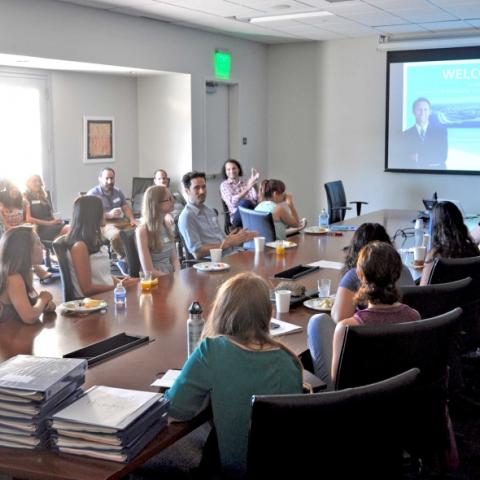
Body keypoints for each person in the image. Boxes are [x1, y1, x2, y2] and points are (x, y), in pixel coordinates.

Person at [165, 272, 303, 476]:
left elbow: (175, 411)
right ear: (268, 312)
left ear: (220, 311)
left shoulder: (212, 350)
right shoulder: (290, 360)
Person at [308, 241, 421, 385]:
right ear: (398, 273)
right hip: (398, 397)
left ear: (359, 275)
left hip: (357, 402)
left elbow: (338, 382)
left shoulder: (347, 328)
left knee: (316, 323)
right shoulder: (414, 316)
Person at [331, 222, 414, 323]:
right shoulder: (404, 270)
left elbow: (339, 318)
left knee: (317, 321)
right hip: (401, 332)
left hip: (364, 334)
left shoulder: (353, 276)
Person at [66, 195, 137, 297]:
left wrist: (121, 282)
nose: (105, 214)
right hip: (92, 304)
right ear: (93, 214)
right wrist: (121, 286)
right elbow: (87, 290)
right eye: (102, 211)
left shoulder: (95, 240)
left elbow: (104, 276)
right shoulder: (79, 247)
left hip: (106, 296)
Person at [178, 171, 255, 259]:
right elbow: (198, 252)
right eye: (196, 188)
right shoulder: (187, 217)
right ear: (187, 191)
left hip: (232, 253)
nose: (202, 191)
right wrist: (228, 243)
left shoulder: (210, 211)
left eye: (204, 187)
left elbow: (219, 240)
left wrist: (238, 238)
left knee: (261, 256)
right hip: (216, 262)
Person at [0, 226, 56, 323]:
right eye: (38, 243)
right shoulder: (13, 277)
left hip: (19, 334)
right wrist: (42, 299)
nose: (42, 246)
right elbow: (29, 317)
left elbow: (32, 306)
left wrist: (45, 305)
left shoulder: (26, 273)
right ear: (24, 250)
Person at [0, 180, 51, 281]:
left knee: (30, 237)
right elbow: (5, 227)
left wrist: (29, 230)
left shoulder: (24, 202)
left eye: (16, 188)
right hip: (8, 234)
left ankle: (34, 269)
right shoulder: (1, 206)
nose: (15, 191)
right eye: (12, 189)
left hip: (23, 230)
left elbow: (28, 219)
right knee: (22, 242)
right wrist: (21, 230)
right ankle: (37, 268)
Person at [420, 201, 479, 285]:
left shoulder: (434, 255)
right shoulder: (473, 249)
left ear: (435, 227)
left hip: (441, 298)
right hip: (471, 297)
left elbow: (423, 290)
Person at [87, 168, 136, 260]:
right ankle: (123, 258)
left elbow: (125, 207)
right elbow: (89, 214)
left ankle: (138, 255)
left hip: (120, 221)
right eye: (106, 178)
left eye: (112, 178)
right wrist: (108, 215)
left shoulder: (118, 192)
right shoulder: (93, 194)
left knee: (140, 228)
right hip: (103, 224)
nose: (110, 181)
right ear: (100, 179)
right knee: (116, 235)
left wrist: (132, 219)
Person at [135, 185, 180, 277]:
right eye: (169, 199)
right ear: (157, 204)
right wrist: (173, 278)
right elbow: (149, 272)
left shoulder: (166, 224)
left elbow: (175, 259)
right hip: (156, 281)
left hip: (170, 276)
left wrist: (178, 274)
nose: (173, 201)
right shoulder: (143, 231)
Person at [401, 97, 448, 169]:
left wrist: (419, 157)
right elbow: (404, 157)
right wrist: (430, 154)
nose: (422, 113)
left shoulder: (441, 132)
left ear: (430, 112)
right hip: (413, 175)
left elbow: (442, 156)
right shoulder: (405, 135)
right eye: (419, 109)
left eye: (425, 110)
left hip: (437, 175)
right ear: (413, 112)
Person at [24, 174, 69, 241]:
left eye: (39, 181)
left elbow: (51, 213)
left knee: (73, 229)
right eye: (34, 181)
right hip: (41, 228)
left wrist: (56, 220)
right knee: (69, 230)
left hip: (52, 225)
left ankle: (57, 245)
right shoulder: (25, 196)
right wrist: (50, 223)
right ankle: (57, 245)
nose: (38, 183)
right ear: (28, 183)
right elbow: (29, 219)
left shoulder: (44, 196)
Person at [220, 159, 259, 228]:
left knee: (265, 204)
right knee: (244, 202)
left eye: (234, 168)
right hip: (238, 216)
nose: (231, 171)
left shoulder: (246, 182)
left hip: (252, 210)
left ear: (238, 169)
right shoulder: (224, 185)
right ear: (225, 172)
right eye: (228, 169)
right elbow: (232, 202)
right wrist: (248, 187)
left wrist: (254, 183)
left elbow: (255, 198)